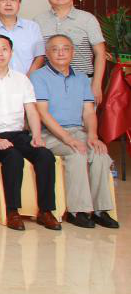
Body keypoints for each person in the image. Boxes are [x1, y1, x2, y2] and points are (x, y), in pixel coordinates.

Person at [0, 34, 61, 231]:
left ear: (11, 53)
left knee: (45, 155)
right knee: (13, 157)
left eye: (4, 49)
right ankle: (12, 211)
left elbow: (31, 111)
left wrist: (36, 136)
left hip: (17, 133)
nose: (0, 54)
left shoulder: (21, 79)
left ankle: (46, 211)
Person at [31, 35, 118, 229]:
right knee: (77, 153)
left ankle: (100, 210)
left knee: (99, 153)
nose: (61, 53)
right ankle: (77, 211)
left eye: (65, 48)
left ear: (73, 52)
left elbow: (88, 112)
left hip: (78, 130)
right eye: (55, 49)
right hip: (49, 133)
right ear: (47, 54)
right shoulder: (38, 77)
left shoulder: (81, 78)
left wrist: (93, 136)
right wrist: (68, 139)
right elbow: (43, 113)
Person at [36, 0, 110, 103]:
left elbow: (100, 53)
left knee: (85, 115)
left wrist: (96, 83)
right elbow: (38, 56)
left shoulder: (87, 19)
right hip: (49, 83)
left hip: (83, 81)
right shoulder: (38, 21)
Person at [0, 0, 45, 73]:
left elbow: (40, 57)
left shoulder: (32, 27)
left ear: (19, 4)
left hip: (29, 79)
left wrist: (27, 79)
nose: (8, 4)